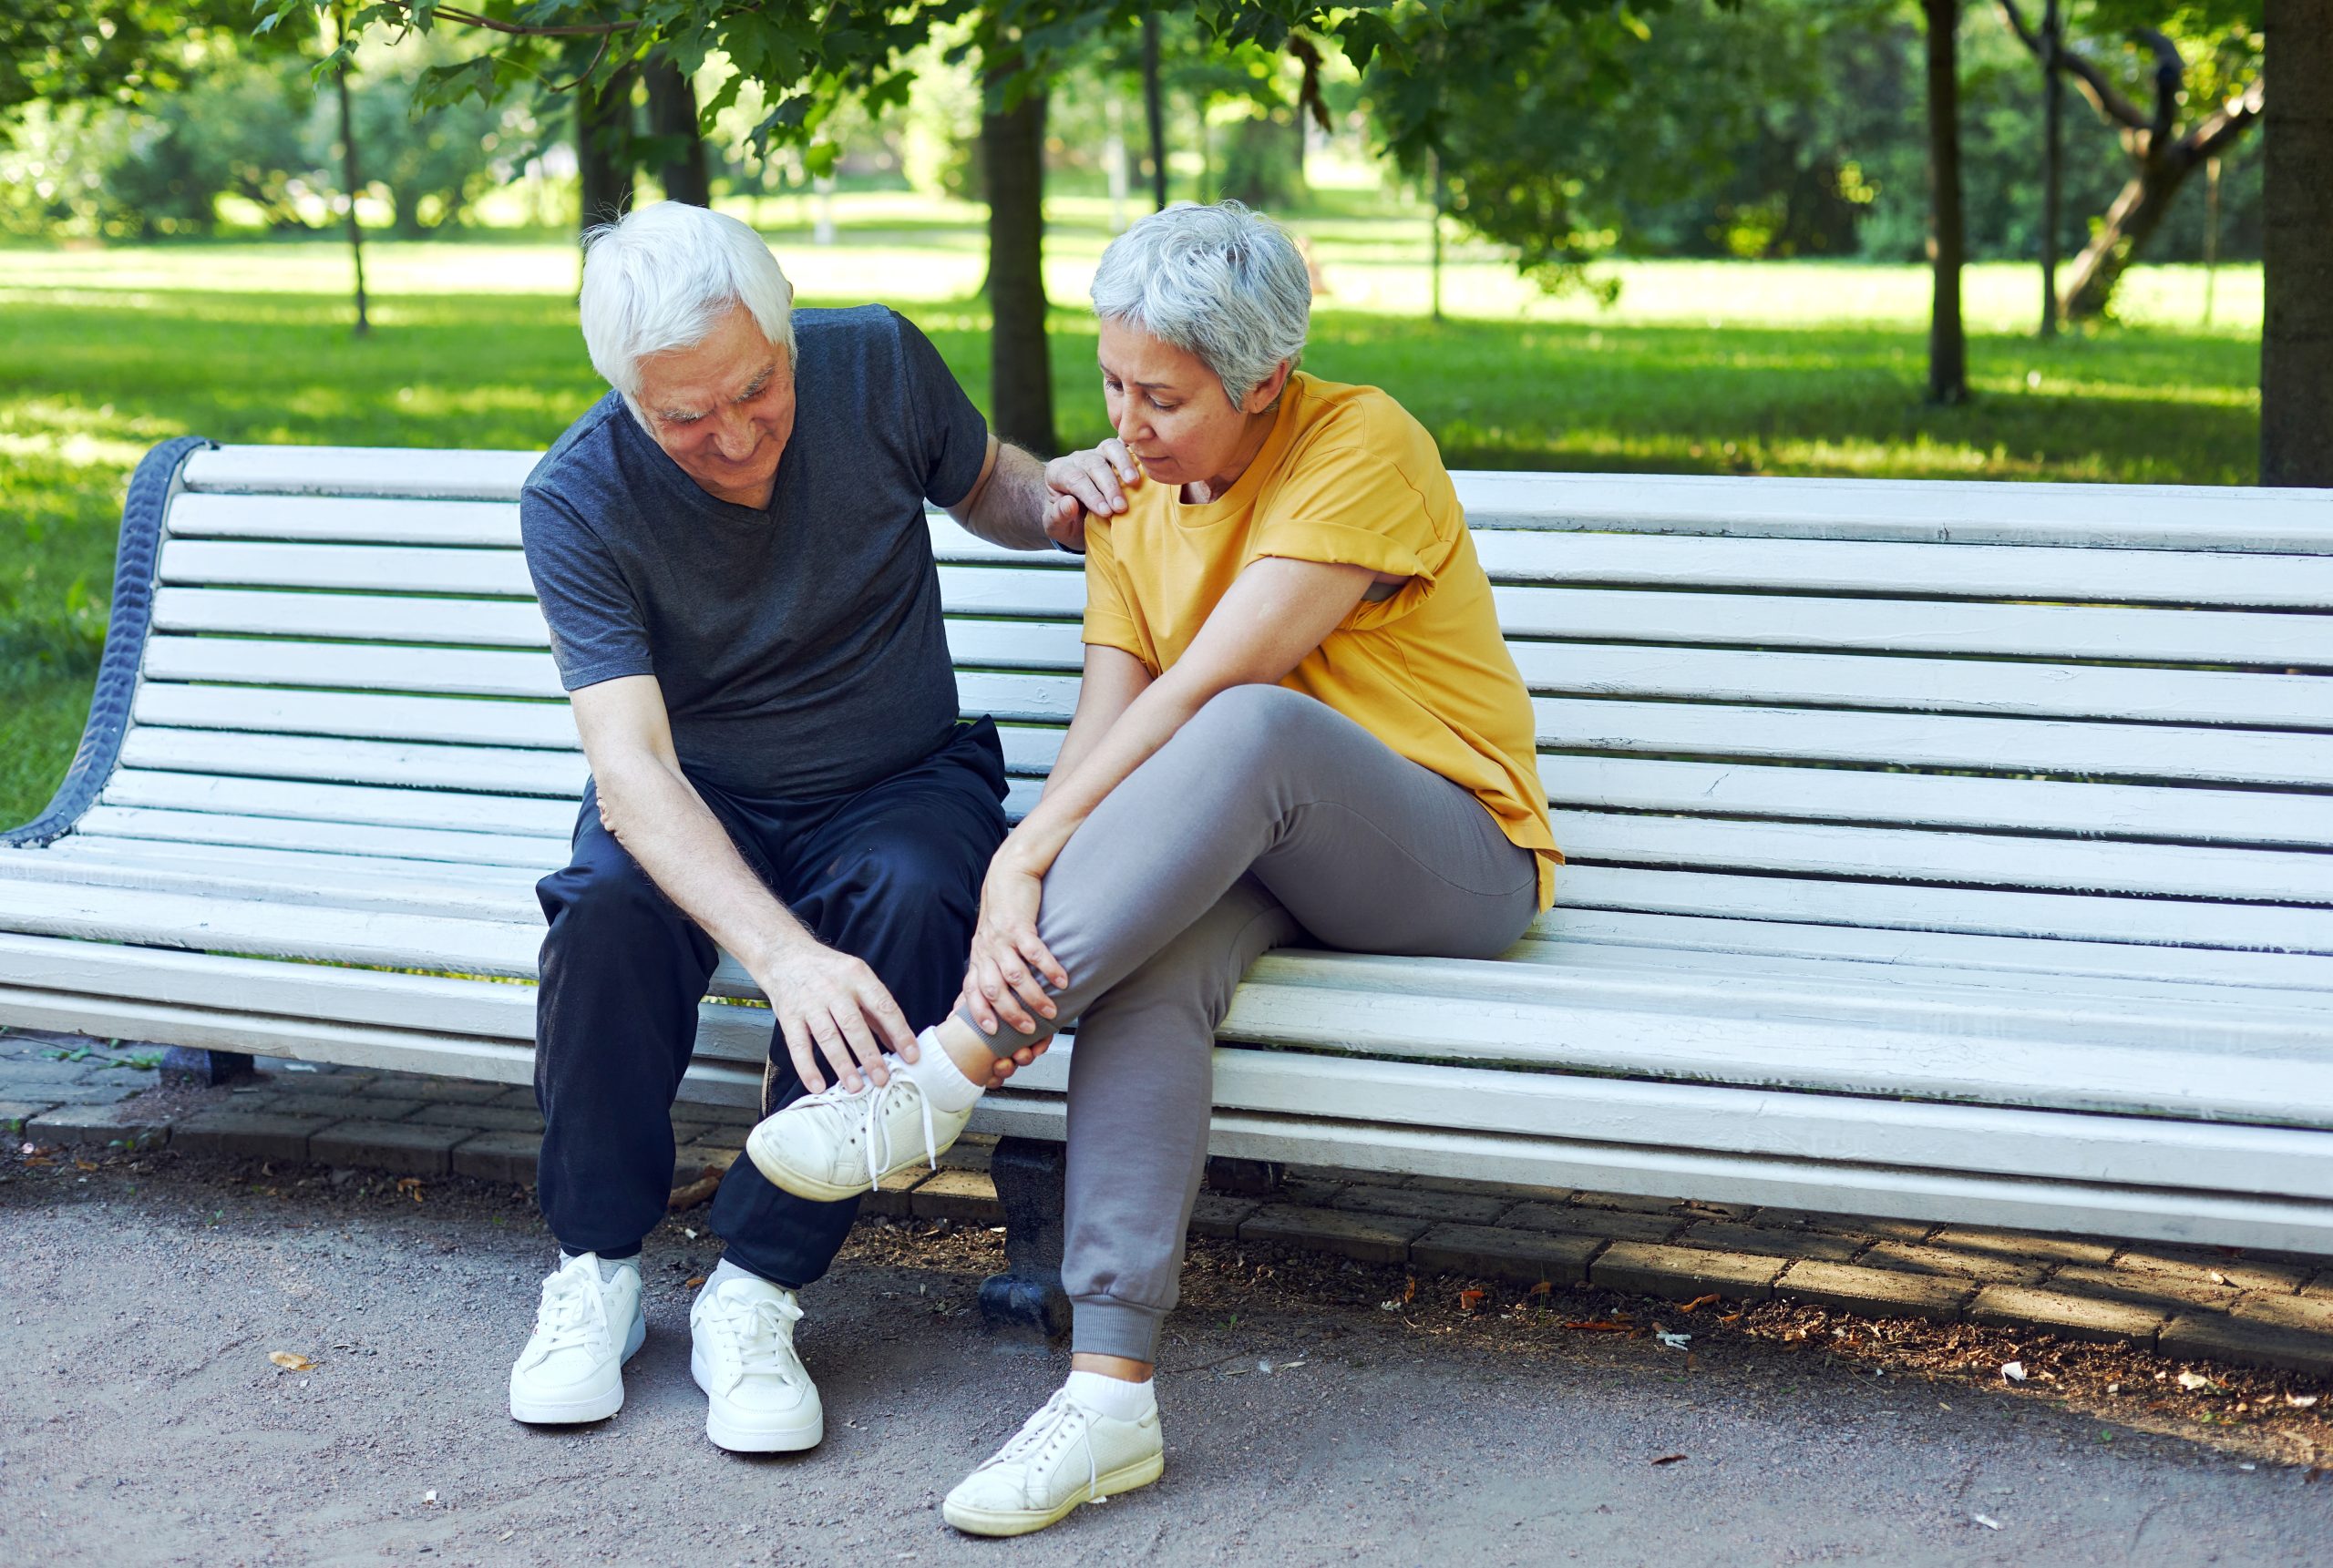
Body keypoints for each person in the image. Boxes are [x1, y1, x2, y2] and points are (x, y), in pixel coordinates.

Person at [745, 200, 1560, 1533]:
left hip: (1450, 852)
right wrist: (1032, 865)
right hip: (1265, 843)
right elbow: (1110, 719)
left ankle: (938, 1079)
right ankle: (1110, 1395)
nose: (1124, 423)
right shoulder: (1130, 499)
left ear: (1267, 383)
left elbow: (1206, 694)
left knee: (1254, 723)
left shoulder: (1364, 444)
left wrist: (1018, 859)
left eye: (1164, 398)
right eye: (1114, 381)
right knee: (1145, 967)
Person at [507, 200, 1097, 1451]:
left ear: (787, 336)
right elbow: (632, 773)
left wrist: (1060, 502)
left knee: (921, 888)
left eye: (756, 390)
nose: (730, 438)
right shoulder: (576, 495)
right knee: (607, 904)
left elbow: (987, 478)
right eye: (683, 417)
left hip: (893, 776)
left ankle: (756, 1287)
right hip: (698, 794)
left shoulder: (874, 358)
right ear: (625, 396)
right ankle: (597, 1268)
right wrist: (782, 955)